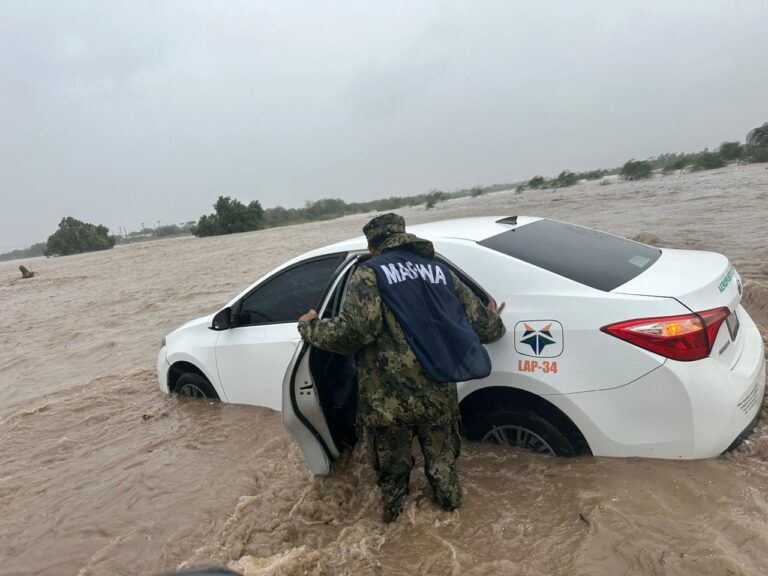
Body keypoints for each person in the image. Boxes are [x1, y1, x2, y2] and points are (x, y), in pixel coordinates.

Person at [297, 213, 505, 522]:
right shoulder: (440, 271)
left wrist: (310, 327)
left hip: (388, 400)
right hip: (438, 388)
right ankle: (452, 520)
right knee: (442, 467)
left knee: (393, 474)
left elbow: (355, 331)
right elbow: (486, 328)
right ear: (403, 236)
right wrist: (494, 318)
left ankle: (393, 533)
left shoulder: (369, 273)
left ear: (372, 246)